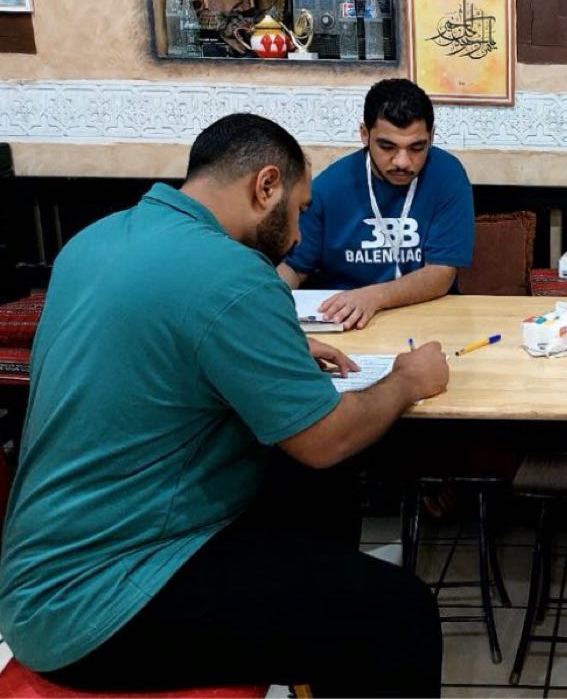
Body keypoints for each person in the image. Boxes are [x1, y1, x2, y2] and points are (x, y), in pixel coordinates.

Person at [0, 114, 449, 697]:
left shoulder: (97, 239)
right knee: (401, 616)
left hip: (41, 570)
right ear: (266, 186)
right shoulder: (235, 274)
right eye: (299, 210)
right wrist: (407, 381)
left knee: (319, 490)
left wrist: (271, 344)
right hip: (102, 602)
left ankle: (316, 635)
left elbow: (158, 340)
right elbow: (327, 438)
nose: (298, 235)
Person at [278, 78, 474, 330]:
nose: (403, 162)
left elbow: (441, 273)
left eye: (417, 147)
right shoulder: (329, 187)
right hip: (345, 320)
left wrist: (374, 297)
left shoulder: (448, 176)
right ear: (364, 134)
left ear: (431, 136)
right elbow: (294, 269)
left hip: (427, 316)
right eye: (387, 146)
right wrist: (263, 305)